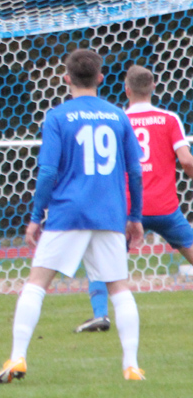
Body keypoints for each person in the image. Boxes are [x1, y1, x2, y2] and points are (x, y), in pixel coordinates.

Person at [0, 49, 146, 384]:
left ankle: (18, 356)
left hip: (68, 212)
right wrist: (134, 215)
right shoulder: (118, 116)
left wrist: (36, 217)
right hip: (109, 212)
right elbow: (135, 171)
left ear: (66, 79)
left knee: (37, 282)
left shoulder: (57, 116)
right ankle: (132, 366)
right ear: (100, 78)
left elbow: (47, 172)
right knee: (119, 287)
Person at [75, 64, 193, 334]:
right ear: (153, 87)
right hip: (165, 208)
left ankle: (100, 315)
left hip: (126, 209)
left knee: (101, 259)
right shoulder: (169, 119)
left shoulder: (115, 119)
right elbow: (186, 161)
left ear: (126, 89)